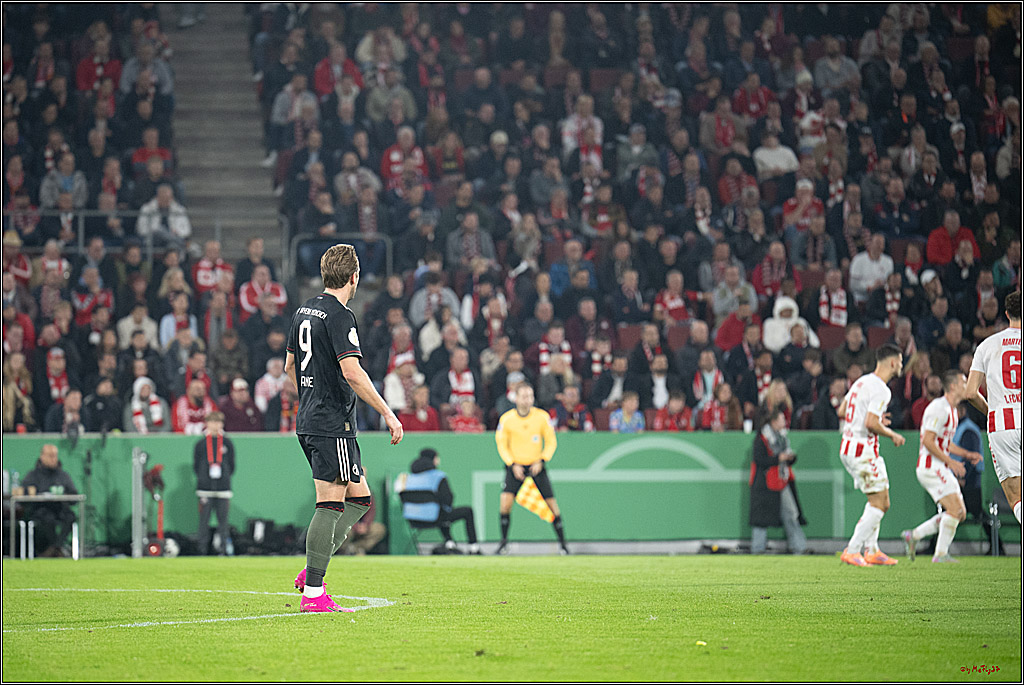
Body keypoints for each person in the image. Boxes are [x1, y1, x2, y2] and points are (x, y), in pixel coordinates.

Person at [285, 244, 404, 613]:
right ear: (354, 277)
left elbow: (290, 366)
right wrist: (388, 412)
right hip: (331, 423)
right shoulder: (340, 315)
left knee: (360, 499)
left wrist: (308, 398)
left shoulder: (304, 310)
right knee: (330, 504)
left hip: (313, 418)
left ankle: (312, 569)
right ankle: (314, 593)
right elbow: (352, 372)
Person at [900, 371, 983, 563]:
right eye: (963, 382)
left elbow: (944, 442)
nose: (967, 385)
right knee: (955, 511)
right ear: (953, 386)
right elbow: (928, 441)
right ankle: (940, 554)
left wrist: (966, 454)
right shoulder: (939, 408)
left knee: (959, 513)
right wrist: (951, 461)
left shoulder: (952, 410)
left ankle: (913, 536)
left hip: (938, 466)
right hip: (930, 467)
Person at [836, 344, 907, 567]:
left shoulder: (861, 381)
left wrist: (873, 420)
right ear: (893, 362)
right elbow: (870, 423)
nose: (902, 365)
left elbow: (842, 411)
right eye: (901, 361)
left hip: (850, 446)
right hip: (862, 449)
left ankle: (872, 550)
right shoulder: (881, 389)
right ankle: (853, 549)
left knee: (878, 499)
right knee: (880, 503)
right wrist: (891, 433)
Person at [964, 291, 1022, 527]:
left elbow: (969, 393)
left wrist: (991, 410)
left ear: (1006, 314)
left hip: (1002, 423)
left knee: (1016, 497)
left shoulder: (987, 345)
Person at [494, 383, 567, 555]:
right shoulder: (507, 419)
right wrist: (512, 464)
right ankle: (503, 543)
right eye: (524, 396)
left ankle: (563, 544)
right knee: (505, 505)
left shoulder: (541, 417)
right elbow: (501, 444)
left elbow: (551, 441)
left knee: (552, 505)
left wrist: (542, 459)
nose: (528, 400)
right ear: (516, 398)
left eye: (530, 396)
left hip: (536, 466)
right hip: (515, 467)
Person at [400, 448, 480, 554]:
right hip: (434, 518)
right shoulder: (438, 476)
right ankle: (473, 547)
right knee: (465, 511)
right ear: (433, 459)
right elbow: (448, 499)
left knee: (442, 510)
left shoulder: (407, 478)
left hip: (412, 520)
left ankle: (449, 542)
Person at [749, 408, 807, 554]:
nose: (785, 422)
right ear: (774, 421)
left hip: (781, 480)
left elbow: (785, 458)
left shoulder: (782, 437)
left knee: (791, 513)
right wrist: (778, 459)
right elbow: (759, 459)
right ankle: (758, 548)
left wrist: (790, 458)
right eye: (782, 419)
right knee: (761, 518)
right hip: (765, 483)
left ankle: (798, 547)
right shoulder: (762, 438)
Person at [20, 444, 78, 556]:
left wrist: (65, 495)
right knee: (47, 517)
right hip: (41, 510)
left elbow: (74, 496)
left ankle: (54, 548)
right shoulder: (33, 475)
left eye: (55, 455)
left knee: (70, 516)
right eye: (50, 455)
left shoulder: (63, 475)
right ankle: (57, 550)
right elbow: (24, 495)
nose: (53, 459)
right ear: (42, 456)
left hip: (60, 509)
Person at [193, 412, 236, 556]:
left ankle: (223, 550)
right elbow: (196, 465)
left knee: (223, 522)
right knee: (203, 521)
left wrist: (224, 476)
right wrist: (204, 478)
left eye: (218, 422)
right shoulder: (200, 444)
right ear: (207, 423)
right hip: (205, 489)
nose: (215, 426)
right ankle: (201, 550)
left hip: (223, 488)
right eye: (212, 422)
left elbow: (232, 465)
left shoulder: (227, 443)